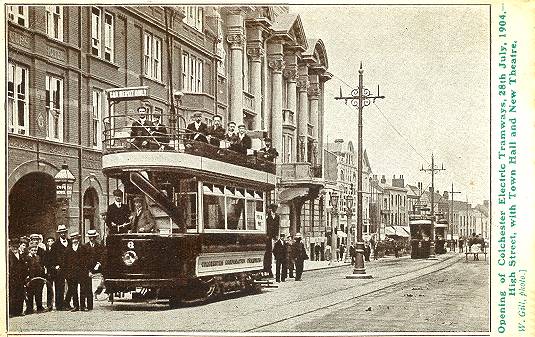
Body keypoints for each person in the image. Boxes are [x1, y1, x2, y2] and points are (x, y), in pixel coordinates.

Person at [49, 224, 70, 310]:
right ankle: (59, 305)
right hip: (60, 269)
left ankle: (67, 303)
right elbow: (51, 258)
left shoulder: (70, 242)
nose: (63, 234)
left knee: (71, 286)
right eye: (61, 233)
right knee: (59, 287)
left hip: (69, 268)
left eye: (64, 232)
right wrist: (56, 266)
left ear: (66, 232)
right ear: (59, 234)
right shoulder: (55, 245)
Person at [64, 232, 86, 311]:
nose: (74, 240)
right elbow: (65, 262)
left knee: (82, 289)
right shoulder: (68, 249)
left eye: (76, 238)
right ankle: (76, 306)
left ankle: (83, 306)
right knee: (74, 290)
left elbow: (86, 261)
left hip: (81, 272)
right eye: (73, 239)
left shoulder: (83, 248)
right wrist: (67, 273)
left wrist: (86, 270)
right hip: (72, 273)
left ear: (78, 239)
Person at [81, 230, 102, 311]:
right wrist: (88, 271)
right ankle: (83, 305)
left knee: (92, 287)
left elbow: (103, 256)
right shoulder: (84, 247)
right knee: (86, 288)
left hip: (97, 268)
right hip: (87, 269)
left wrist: (99, 263)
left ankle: (90, 306)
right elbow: (83, 259)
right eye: (90, 237)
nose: (92, 239)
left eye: (93, 237)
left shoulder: (99, 246)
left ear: (95, 237)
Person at [9, 238, 28, 317]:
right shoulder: (8, 255)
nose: (15, 248)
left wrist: (25, 276)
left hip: (21, 278)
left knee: (20, 294)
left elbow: (24, 266)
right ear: (11, 246)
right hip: (12, 278)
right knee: (13, 295)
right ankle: (12, 312)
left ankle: (19, 311)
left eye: (16, 246)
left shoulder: (21, 255)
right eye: (13, 247)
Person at [25, 243, 46, 314]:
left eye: (35, 250)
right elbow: (26, 268)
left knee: (38, 293)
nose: (34, 252)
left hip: (38, 278)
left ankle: (39, 307)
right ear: (29, 250)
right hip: (31, 278)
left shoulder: (38, 257)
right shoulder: (27, 258)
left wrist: (42, 276)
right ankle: (29, 308)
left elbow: (40, 267)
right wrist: (27, 277)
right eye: (32, 250)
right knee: (30, 294)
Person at [264, 204, 280, 277]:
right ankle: (267, 269)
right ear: (271, 208)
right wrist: (267, 234)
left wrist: (276, 235)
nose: (275, 209)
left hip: (272, 237)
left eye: (276, 208)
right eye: (274, 208)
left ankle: (269, 269)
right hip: (267, 236)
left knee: (270, 252)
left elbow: (277, 227)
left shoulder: (277, 216)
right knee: (267, 252)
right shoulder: (267, 215)